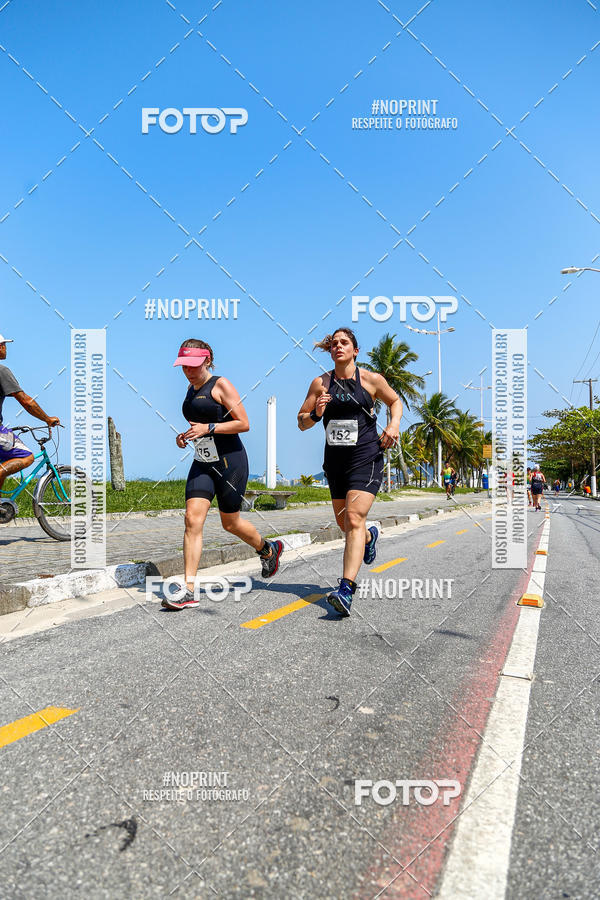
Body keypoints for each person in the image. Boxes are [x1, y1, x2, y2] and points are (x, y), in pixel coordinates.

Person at [162, 339, 283, 611]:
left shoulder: (221, 385)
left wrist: (209, 428)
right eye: (184, 366)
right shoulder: (190, 390)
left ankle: (267, 549)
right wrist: (185, 436)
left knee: (231, 523)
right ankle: (189, 589)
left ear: (207, 360)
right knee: (192, 519)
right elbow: (199, 427)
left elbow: (244, 423)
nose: (188, 371)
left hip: (231, 462)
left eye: (193, 365)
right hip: (203, 462)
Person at [297, 327, 402, 616]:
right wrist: (316, 413)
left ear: (355, 350)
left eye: (344, 343)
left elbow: (395, 401)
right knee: (347, 526)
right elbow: (301, 422)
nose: (338, 347)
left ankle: (345, 589)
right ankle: (369, 537)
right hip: (335, 462)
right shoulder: (320, 383)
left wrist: (393, 426)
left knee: (354, 518)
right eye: (333, 344)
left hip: (366, 457)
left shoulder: (370, 380)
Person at [0, 334, 60, 492]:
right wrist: (47, 419)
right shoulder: (2, 371)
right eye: (4, 345)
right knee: (25, 456)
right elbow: (25, 401)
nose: (6, 349)